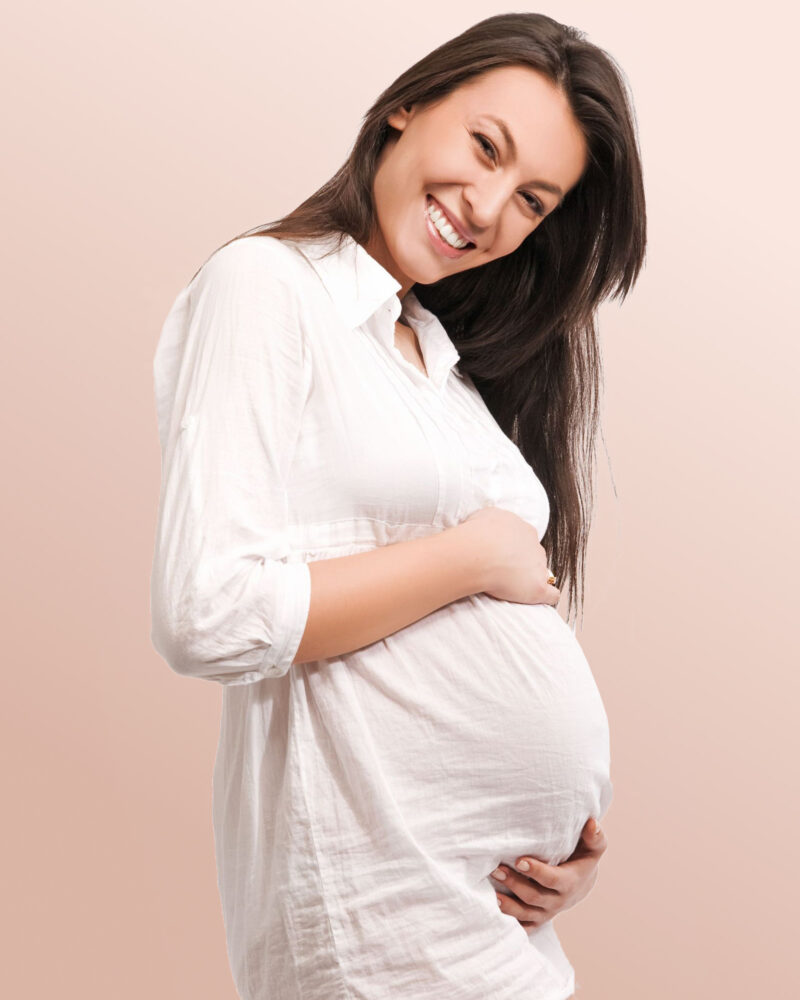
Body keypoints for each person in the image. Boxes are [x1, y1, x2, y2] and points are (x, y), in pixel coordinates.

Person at [150, 12, 646, 1000]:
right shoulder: (268, 289)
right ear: (406, 106)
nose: (488, 205)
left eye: (531, 199)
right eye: (484, 147)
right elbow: (206, 613)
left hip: (499, 933)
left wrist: (560, 841)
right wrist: (466, 558)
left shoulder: (436, 363)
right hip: (379, 936)